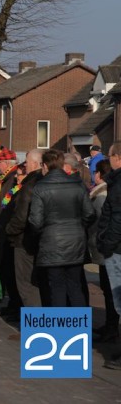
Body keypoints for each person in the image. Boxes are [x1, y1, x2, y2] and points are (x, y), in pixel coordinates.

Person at [27, 150, 95, 307]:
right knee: (75, 286)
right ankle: (79, 329)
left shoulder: (41, 187)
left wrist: (43, 234)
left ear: (44, 165)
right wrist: (78, 226)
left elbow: (35, 221)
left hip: (51, 243)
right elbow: (90, 213)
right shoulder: (77, 184)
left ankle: (60, 331)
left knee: (57, 288)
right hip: (76, 242)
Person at [4, 149, 44, 308]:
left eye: (27, 162)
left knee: (27, 285)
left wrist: (8, 230)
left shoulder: (28, 186)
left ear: (34, 163)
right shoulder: (44, 182)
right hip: (41, 241)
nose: (25, 165)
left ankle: (35, 330)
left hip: (24, 241)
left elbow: (21, 217)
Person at [0, 148, 21, 320]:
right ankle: (12, 304)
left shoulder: (12, 180)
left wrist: (4, 229)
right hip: (1, 230)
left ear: (7, 164)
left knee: (9, 271)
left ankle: (14, 305)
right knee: (4, 270)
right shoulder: (5, 179)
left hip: (7, 233)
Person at [88, 159, 119, 343]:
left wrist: (104, 244)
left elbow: (104, 221)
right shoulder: (105, 192)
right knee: (108, 290)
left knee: (110, 290)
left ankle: (111, 328)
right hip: (106, 248)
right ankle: (110, 325)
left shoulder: (102, 195)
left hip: (107, 249)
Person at [96, 141, 121, 369]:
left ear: (117, 158)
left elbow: (116, 218)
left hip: (117, 250)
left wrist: (107, 245)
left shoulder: (118, 183)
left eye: (110, 155)